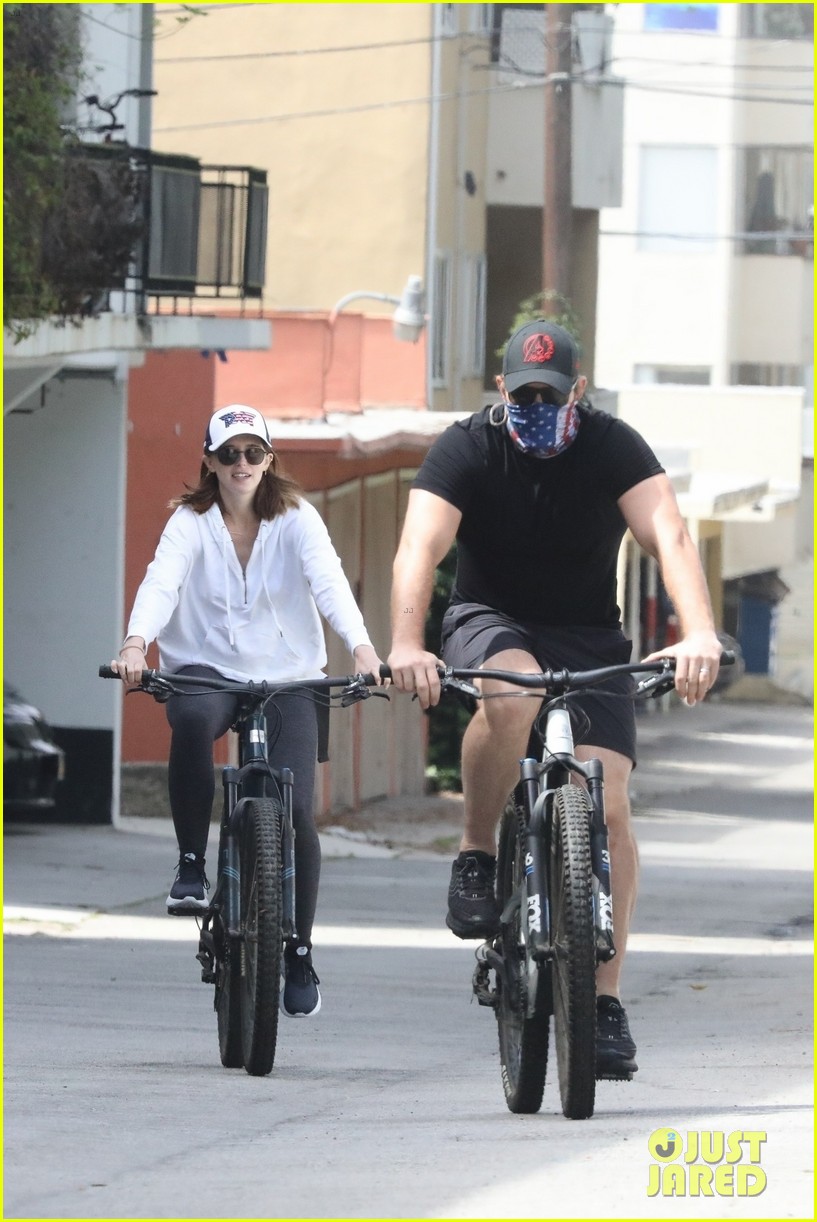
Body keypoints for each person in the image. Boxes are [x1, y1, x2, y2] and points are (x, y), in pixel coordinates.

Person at [387, 319, 722, 1079]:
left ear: (579, 391)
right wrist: (407, 644)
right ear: (502, 388)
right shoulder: (468, 446)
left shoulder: (612, 445)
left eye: (551, 395)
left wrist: (698, 631)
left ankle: (603, 1002)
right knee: (509, 698)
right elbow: (419, 547)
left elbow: (668, 534)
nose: (536, 407)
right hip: (491, 621)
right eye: (524, 394)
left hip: (587, 636)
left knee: (611, 808)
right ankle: (477, 853)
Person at [111, 404, 383, 1019]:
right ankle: (190, 864)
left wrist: (364, 649)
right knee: (191, 720)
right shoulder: (189, 522)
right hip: (205, 666)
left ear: (269, 460)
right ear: (209, 461)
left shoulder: (297, 517)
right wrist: (135, 644)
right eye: (229, 453)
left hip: (288, 674)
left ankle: (300, 951)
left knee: (298, 813)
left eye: (253, 452)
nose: (241, 463)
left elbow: (329, 583)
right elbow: (161, 582)